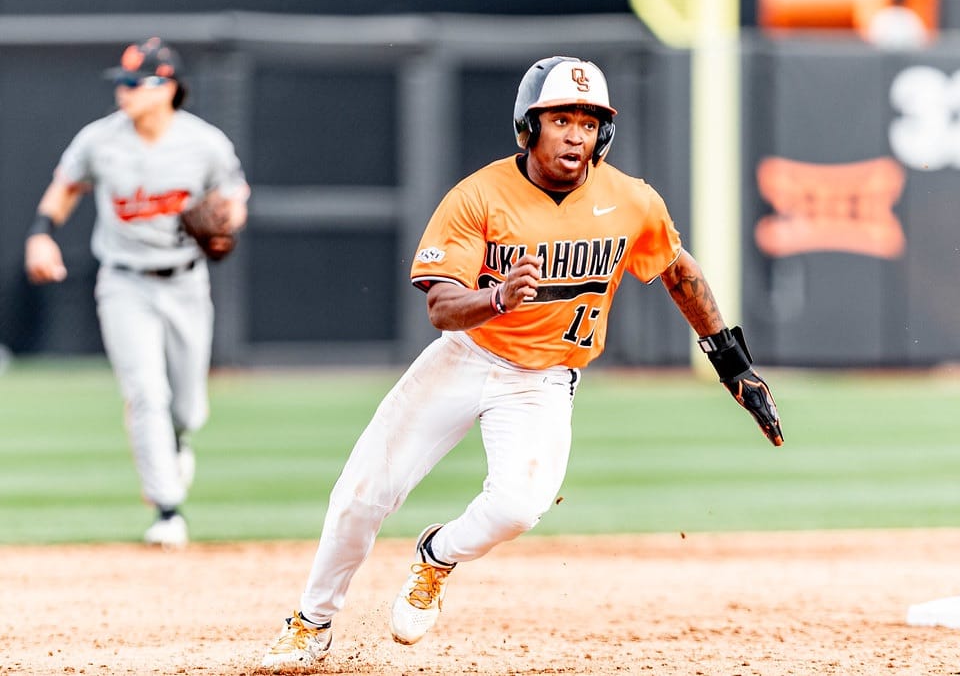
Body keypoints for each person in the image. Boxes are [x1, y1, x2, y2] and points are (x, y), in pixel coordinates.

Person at [260, 56, 783, 671]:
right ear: (527, 127)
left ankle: (437, 555)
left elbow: (680, 272)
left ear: (603, 135)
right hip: (465, 355)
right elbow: (440, 306)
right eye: (559, 118)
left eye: (588, 123)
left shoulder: (630, 200)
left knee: (518, 508)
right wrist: (496, 297)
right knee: (361, 493)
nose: (574, 135)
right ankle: (312, 623)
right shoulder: (479, 195)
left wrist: (733, 364)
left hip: (543, 380)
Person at [23, 37, 249, 548]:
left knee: (188, 406)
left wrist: (227, 222)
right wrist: (41, 233)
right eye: (120, 82)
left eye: (134, 82)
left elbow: (234, 196)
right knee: (146, 392)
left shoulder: (204, 142)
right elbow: (65, 187)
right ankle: (169, 511)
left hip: (186, 280)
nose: (123, 92)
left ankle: (178, 439)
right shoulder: (100, 140)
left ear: (167, 86)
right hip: (124, 281)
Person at [862, 0, 930, 50]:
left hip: (905, 57)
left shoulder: (910, 16)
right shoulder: (911, 16)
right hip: (885, 57)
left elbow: (920, 39)